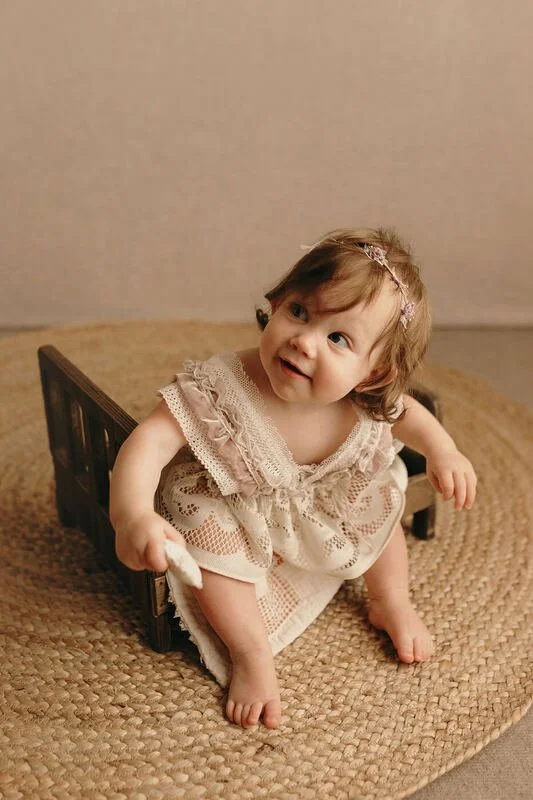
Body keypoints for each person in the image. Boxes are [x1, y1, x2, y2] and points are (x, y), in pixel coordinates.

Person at [109, 227, 477, 731]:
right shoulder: (225, 386)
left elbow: (405, 412)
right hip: (236, 503)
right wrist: (132, 514)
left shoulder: (362, 401)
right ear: (277, 302)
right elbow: (151, 440)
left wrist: (443, 449)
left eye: (338, 338)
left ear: (372, 374)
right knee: (211, 552)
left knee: (379, 506)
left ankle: (391, 603)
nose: (304, 341)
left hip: (320, 501)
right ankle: (251, 653)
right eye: (300, 312)